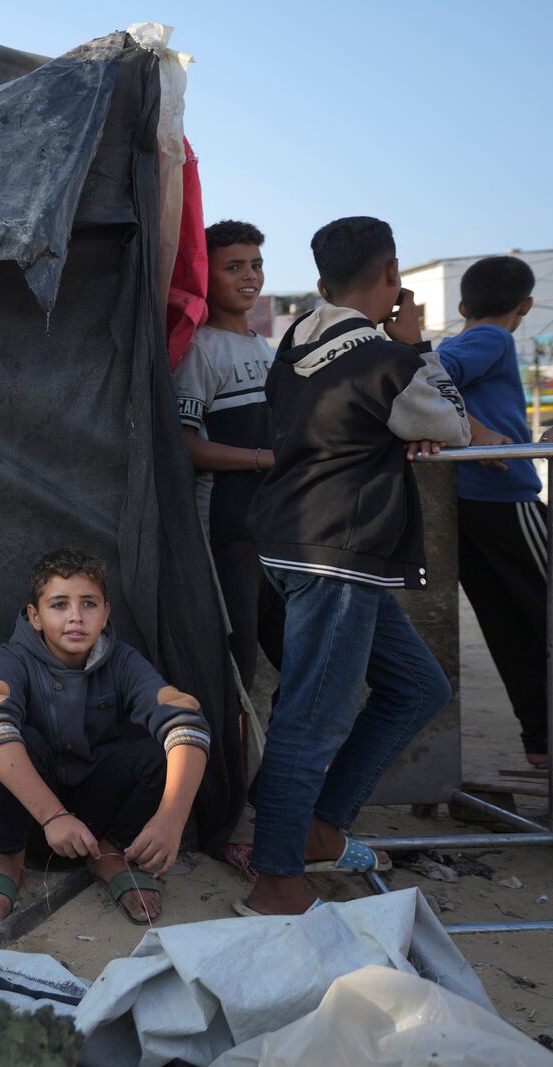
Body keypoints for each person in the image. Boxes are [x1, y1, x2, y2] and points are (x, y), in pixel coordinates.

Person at [242, 216, 471, 916]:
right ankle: (276, 877)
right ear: (391, 276)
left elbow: (342, 426)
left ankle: (318, 826)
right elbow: (453, 425)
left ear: (320, 284)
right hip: (336, 554)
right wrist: (417, 348)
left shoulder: (296, 338)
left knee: (417, 686)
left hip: (292, 543)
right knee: (313, 716)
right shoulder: (387, 358)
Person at [0, 548, 210, 926]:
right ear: (35, 617)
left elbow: (185, 719)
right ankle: (7, 860)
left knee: (159, 755)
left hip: (93, 813)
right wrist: (53, 815)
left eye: (88, 604)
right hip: (29, 813)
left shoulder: (123, 661)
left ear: (106, 613)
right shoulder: (12, 658)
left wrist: (171, 818)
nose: (76, 617)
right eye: (59, 605)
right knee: (14, 742)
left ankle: (108, 855)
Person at [435, 256, 547, 768]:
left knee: (509, 628)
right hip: (507, 499)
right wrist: (478, 433)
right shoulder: (494, 340)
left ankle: (540, 742)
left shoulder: (452, 340)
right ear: (525, 307)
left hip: (469, 505)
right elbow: (432, 378)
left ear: (461, 305)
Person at [173, 219, 285, 690]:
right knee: (234, 673)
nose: (249, 277)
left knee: (303, 665)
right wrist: (263, 459)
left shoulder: (269, 347)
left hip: (276, 533)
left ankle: (280, 767)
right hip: (225, 533)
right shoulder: (199, 350)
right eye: (233, 267)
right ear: (206, 277)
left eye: (256, 265)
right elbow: (184, 445)